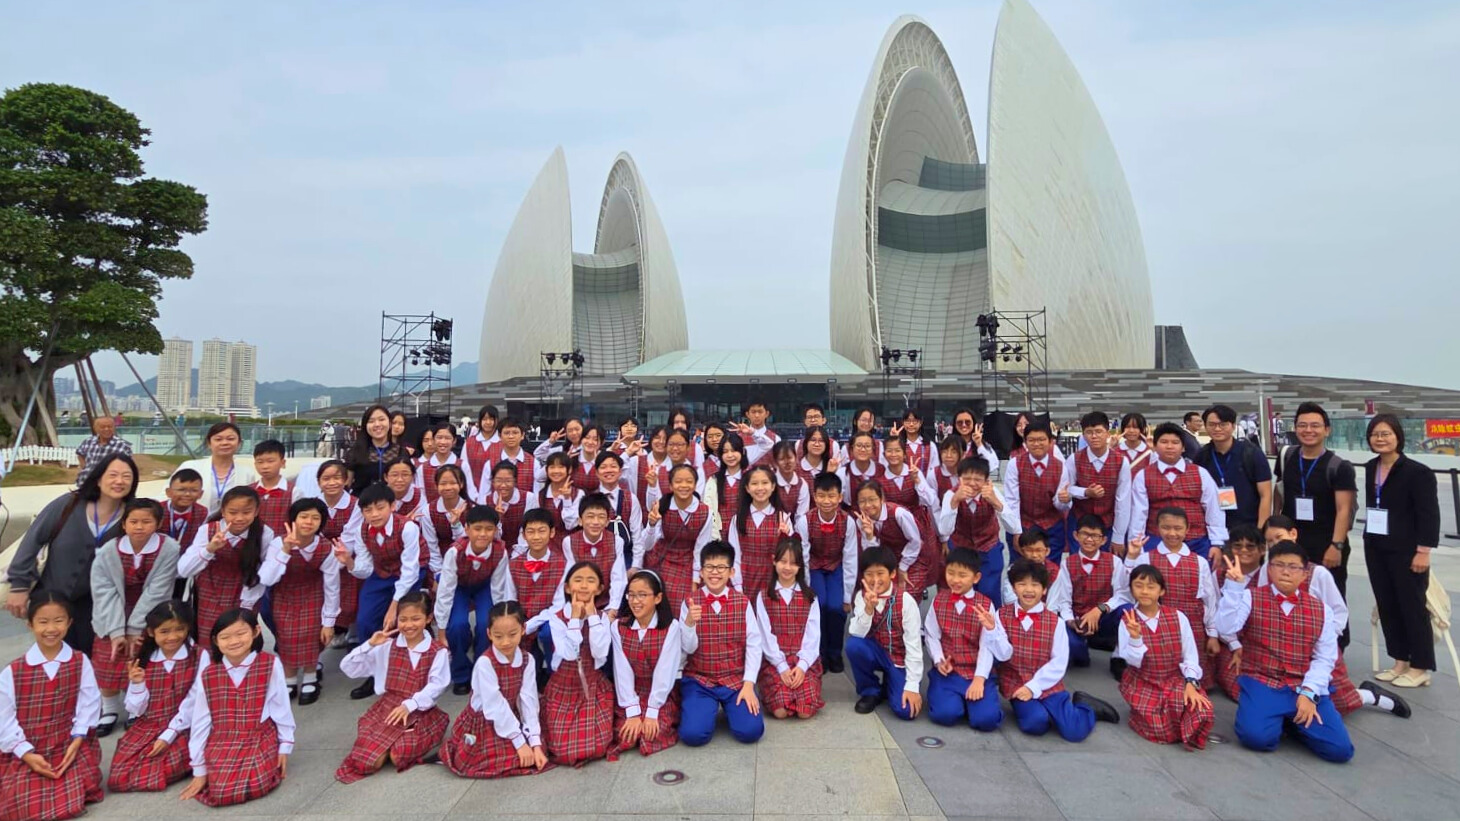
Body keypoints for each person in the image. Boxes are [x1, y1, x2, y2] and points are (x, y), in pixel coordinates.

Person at [1217, 542, 1354, 762]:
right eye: (1279, 565)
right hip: (1263, 680)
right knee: (1256, 738)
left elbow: (1325, 658)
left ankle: (1291, 724)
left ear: (1304, 574)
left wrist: (1310, 693)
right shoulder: (1251, 597)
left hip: (1303, 683)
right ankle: (1280, 721)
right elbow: (1226, 629)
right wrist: (1233, 589)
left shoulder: (1322, 609)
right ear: (1269, 570)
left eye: (1293, 567)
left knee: (1340, 751)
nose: (1286, 572)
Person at [1261, 517, 1410, 716]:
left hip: (1316, 647)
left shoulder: (1318, 573)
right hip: (1280, 647)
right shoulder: (1266, 570)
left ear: (1293, 534)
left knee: (1338, 703)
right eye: (1269, 541)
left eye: (1279, 537)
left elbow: (1339, 612)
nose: (1274, 544)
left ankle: (1370, 696)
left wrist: (1324, 640)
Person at [6, 454, 141, 653]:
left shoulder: (132, 516)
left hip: (97, 608)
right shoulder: (68, 504)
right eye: (112, 475)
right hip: (52, 598)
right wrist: (19, 586)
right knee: (52, 654)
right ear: (98, 478)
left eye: (127, 476)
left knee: (88, 659)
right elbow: (32, 541)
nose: (119, 481)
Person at [985, 559, 1119, 739]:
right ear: (1014, 588)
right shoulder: (1001, 615)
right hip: (1016, 682)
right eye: (1022, 584)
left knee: (1074, 732)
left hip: (1047, 682)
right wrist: (992, 630)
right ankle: (1047, 712)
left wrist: (1033, 687)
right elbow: (1002, 655)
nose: (1028, 590)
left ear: (1044, 590)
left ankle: (1086, 707)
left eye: (1035, 585)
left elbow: (1059, 662)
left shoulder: (1055, 622)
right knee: (1035, 723)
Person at [0, 593, 104, 821]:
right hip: (29, 747)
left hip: (67, 743)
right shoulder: (13, 671)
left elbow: (89, 702)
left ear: (69, 622)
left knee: (73, 798)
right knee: (22, 806)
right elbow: (4, 719)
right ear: (30, 624)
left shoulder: (79, 660)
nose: (51, 629)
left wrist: (78, 737)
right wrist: (26, 753)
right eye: (43, 622)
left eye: (58, 620)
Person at [177, 609, 295, 806]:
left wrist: (285, 746)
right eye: (225, 637)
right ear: (215, 641)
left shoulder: (270, 664)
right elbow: (201, 720)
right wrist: (199, 769)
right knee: (221, 791)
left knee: (256, 784)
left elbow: (280, 707)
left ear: (256, 631)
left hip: (257, 735)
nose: (234, 641)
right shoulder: (209, 673)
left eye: (241, 633)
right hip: (222, 738)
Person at [335, 590, 449, 783]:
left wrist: (410, 705)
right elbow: (349, 668)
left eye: (415, 619)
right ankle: (386, 743)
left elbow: (437, 686)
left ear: (428, 618)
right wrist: (369, 645)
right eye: (403, 619)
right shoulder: (386, 646)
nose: (408, 625)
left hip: (420, 711)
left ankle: (432, 729)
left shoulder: (438, 651)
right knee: (369, 763)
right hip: (387, 709)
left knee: (398, 757)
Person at [88, 498, 180, 736]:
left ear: (158, 523)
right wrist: (117, 631)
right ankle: (109, 709)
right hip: (112, 612)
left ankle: (135, 708)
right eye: (133, 521)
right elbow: (103, 591)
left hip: (150, 613)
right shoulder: (109, 551)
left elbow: (158, 590)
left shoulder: (169, 548)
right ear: (124, 524)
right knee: (109, 658)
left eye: (146, 521)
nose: (139, 527)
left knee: (139, 657)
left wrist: (135, 628)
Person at [1363, 413, 1440, 688]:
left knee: (1412, 607)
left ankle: (1420, 667)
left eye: (1386, 433)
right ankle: (1400, 660)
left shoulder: (1418, 472)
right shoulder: (1371, 467)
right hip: (1377, 546)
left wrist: (1423, 551)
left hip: (1407, 550)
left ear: (1398, 436)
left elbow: (1428, 515)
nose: (1380, 439)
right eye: (1375, 434)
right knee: (1388, 604)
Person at [1277, 402, 1357, 646]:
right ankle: (1301, 645)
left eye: (1315, 425)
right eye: (1302, 425)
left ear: (1327, 430)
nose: (1308, 430)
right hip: (1293, 541)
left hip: (1326, 542)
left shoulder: (1339, 466)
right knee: (1292, 592)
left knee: (1331, 596)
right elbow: (1280, 493)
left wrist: (1337, 545)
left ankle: (1336, 649)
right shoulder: (1287, 457)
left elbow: (1344, 509)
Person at [439, 601, 550, 778]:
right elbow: (495, 705)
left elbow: (528, 700)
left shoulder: (527, 659)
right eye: (498, 636)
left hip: (511, 715)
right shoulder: (485, 663)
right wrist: (520, 742)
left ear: (523, 630)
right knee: (507, 757)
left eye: (512, 634)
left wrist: (535, 742)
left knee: (537, 751)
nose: (506, 642)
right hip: (485, 719)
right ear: (489, 634)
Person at [335, 483, 422, 700]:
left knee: (404, 621)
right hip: (381, 575)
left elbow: (410, 570)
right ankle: (374, 673)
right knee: (365, 621)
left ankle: (408, 672)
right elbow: (365, 569)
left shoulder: (408, 528)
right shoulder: (361, 530)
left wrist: (394, 606)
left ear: (392, 506)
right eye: (368, 510)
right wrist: (349, 562)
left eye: (380, 508)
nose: (374, 514)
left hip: (408, 575)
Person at [1117, 565, 1214, 750]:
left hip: (1173, 679)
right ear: (1131, 589)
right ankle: (1139, 715)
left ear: (1162, 591)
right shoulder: (1127, 621)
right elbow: (1132, 662)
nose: (1144, 591)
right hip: (1143, 681)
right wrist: (1136, 638)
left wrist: (1191, 683)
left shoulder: (1178, 617)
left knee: (1201, 709)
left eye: (1151, 586)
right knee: (1160, 730)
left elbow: (1190, 655)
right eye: (1138, 586)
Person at [678, 541, 765, 746]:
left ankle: (731, 709)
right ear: (701, 572)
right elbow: (687, 648)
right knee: (693, 735)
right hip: (700, 679)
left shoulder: (742, 602)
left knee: (751, 732)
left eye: (721, 567)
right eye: (709, 567)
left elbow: (754, 644)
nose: (715, 572)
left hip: (734, 679)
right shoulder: (690, 602)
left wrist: (749, 683)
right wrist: (689, 623)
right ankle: (704, 708)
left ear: (731, 572)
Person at [106, 599, 198, 793]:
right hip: (149, 725)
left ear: (188, 628)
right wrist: (137, 684)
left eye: (179, 629)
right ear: (151, 632)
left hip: (184, 726)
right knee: (118, 777)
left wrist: (169, 734)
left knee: (164, 767)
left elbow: (195, 700)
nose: (172, 637)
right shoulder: (144, 660)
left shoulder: (198, 656)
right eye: (164, 631)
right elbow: (136, 709)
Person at [256, 498, 340, 705]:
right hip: (284, 596)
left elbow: (332, 586)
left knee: (312, 635)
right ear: (293, 519)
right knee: (286, 637)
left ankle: (311, 678)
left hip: (313, 594)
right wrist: (285, 550)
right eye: (304, 516)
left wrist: (329, 621)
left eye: (315, 518)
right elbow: (267, 578)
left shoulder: (325, 547)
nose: (308, 522)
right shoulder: (278, 543)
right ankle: (290, 680)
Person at [177, 486, 271, 652]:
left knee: (240, 643)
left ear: (256, 511)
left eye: (246, 512)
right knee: (211, 643)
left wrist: (247, 604)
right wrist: (210, 549)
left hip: (245, 593)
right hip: (209, 593)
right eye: (233, 512)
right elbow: (184, 570)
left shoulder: (264, 533)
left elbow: (263, 572)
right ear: (223, 511)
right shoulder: (208, 530)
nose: (239, 518)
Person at [541, 561, 615, 766]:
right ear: (567, 587)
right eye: (578, 580)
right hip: (563, 687)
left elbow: (600, 651)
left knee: (598, 746)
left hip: (592, 686)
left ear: (599, 588)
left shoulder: (602, 618)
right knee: (562, 751)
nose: (583, 586)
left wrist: (592, 617)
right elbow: (569, 654)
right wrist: (574, 620)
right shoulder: (557, 618)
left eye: (591, 581)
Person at [436, 506, 514, 696]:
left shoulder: (500, 551)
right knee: (457, 626)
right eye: (477, 528)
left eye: (489, 529)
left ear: (495, 530)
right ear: (467, 529)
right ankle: (461, 674)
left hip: (485, 586)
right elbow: (445, 590)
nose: (483, 534)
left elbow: (498, 588)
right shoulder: (455, 552)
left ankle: (482, 670)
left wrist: (500, 618)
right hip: (459, 587)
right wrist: (441, 628)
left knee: (486, 624)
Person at [924, 548, 1002, 731]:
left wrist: (979, 679)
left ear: (976, 578)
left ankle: (974, 703)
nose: (955, 580)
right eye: (951, 573)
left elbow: (987, 645)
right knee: (944, 715)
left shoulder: (985, 605)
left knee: (986, 721)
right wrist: (939, 660)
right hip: (950, 671)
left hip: (976, 670)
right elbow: (931, 634)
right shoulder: (938, 600)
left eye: (962, 575)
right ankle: (959, 702)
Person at [608, 571, 684, 759]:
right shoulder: (619, 627)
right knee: (627, 735)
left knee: (650, 735)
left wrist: (652, 711)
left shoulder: (671, 627)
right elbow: (622, 671)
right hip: (631, 692)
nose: (635, 601)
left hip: (660, 694)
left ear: (658, 598)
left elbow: (665, 672)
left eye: (642, 595)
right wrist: (632, 711)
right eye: (631, 595)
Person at [1128, 423, 1227, 559]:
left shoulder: (1201, 473)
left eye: (1175, 442)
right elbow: (1138, 513)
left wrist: (1217, 543)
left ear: (1183, 447)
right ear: (1155, 446)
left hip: (1197, 541)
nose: (1169, 447)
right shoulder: (1143, 476)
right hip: (1157, 540)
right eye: (1164, 442)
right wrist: (1135, 543)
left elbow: (1214, 509)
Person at [846, 547, 924, 719]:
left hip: (899, 657)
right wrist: (868, 609)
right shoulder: (861, 596)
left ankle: (892, 682)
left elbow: (914, 645)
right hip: (875, 650)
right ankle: (870, 691)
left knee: (906, 711)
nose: (875, 580)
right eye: (869, 574)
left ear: (892, 574)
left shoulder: (906, 601)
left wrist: (912, 686)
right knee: (854, 646)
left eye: (880, 573)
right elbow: (856, 632)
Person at [937, 457, 1019, 606]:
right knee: (962, 591)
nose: (972, 484)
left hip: (988, 546)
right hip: (961, 548)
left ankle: (992, 618)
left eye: (978, 479)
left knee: (989, 591)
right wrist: (955, 501)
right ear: (959, 478)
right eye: (967, 479)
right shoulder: (951, 494)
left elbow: (1013, 527)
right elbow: (945, 530)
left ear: (987, 480)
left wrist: (995, 502)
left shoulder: (993, 493)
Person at [755, 540, 823, 720]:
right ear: (774, 561)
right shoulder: (764, 596)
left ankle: (805, 685)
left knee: (804, 712)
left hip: (803, 659)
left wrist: (802, 666)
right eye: (783, 561)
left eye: (793, 563)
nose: (787, 567)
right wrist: (781, 665)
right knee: (780, 711)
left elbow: (813, 635)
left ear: (800, 566)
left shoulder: (810, 597)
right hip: (775, 660)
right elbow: (765, 635)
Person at [633, 464, 713, 612]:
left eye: (689, 481)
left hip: (688, 561)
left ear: (695, 485)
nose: (684, 485)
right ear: (670, 485)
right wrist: (651, 524)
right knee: (658, 601)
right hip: (662, 559)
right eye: (678, 481)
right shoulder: (662, 507)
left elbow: (701, 548)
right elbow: (647, 545)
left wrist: (695, 579)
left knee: (685, 602)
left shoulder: (704, 512)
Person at [800, 472, 858, 674]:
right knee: (819, 605)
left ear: (840, 497)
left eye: (831, 496)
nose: (827, 501)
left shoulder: (848, 521)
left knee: (836, 607)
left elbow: (850, 557)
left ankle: (835, 653)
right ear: (814, 497)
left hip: (836, 566)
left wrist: (848, 596)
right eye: (822, 496)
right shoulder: (805, 521)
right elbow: (804, 556)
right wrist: (806, 588)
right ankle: (820, 654)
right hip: (814, 566)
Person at [1056, 515, 1128, 674]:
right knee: (1074, 650)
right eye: (1085, 534)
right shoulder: (1067, 564)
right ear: (1076, 536)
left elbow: (1122, 595)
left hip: (1104, 617)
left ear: (1103, 540)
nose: (1089, 539)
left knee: (1128, 610)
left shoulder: (1115, 561)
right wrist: (1071, 622)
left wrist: (1100, 609)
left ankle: (1119, 656)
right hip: (1079, 619)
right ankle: (1083, 649)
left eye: (1095, 535)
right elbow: (1064, 601)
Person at [1055, 411, 1131, 555]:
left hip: (1108, 524)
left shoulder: (1121, 462)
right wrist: (1085, 492)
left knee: (1108, 564)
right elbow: (1065, 489)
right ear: (1083, 435)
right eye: (1089, 432)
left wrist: (1119, 537)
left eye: (1098, 431)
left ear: (1107, 433)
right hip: (1079, 523)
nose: (1094, 436)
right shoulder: (1074, 459)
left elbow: (1123, 500)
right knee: (1078, 562)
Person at [509, 509, 568, 686]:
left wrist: (531, 625)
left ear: (552, 532)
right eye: (531, 531)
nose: (536, 537)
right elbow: (510, 599)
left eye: (542, 531)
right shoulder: (513, 564)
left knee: (549, 633)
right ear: (523, 535)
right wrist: (519, 623)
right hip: (522, 617)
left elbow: (558, 606)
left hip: (549, 618)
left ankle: (553, 673)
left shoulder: (563, 564)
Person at [1194, 404, 1272, 530]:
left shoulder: (1251, 453)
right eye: (1212, 424)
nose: (1217, 429)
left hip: (1248, 527)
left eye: (1223, 424)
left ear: (1233, 426)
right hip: (1214, 528)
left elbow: (1266, 495)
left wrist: (1261, 530)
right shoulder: (1201, 456)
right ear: (1205, 426)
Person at [726, 466, 800, 594]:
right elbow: (735, 554)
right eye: (754, 483)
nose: (760, 488)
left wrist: (786, 535)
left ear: (773, 486)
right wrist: (738, 585)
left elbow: (791, 554)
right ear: (747, 488)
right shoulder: (738, 519)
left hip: (773, 577)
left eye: (765, 483)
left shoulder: (782, 518)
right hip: (745, 576)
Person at [314, 460, 363, 647]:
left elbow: (351, 537)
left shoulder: (356, 505)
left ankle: (352, 632)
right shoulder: (314, 504)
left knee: (351, 602)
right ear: (319, 482)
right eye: (326, 479)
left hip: (348, 557)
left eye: (337, 478)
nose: (332, 483)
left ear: (345, 480)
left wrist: (338, 560)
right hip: (321, 558)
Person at [1003, 423, 1068, 564]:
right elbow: (1012, 500)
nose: (1037, 444)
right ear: (1025, 442)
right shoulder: (1014, 464)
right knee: (1020, 570)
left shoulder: (1061, 466)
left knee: (1051, 570)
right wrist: (1016, 531)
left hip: (1051, 526)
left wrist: (1064, 500)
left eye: (1041, 439)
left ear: (1050, 442)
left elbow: (1060, 504)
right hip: (1023, 524)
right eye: (1031, 440)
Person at [853, 480, 929, 595]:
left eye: (872, 500)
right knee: (877, 593)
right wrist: (869, 536)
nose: (867, 505)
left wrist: (903, 567)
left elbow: (915, 541)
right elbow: (872, 555)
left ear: (881, 499)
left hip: (913, 558)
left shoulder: (899, 514)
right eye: (862, 501)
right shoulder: (861, 521)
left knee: (906, 595)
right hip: (884, 562)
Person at [558, 494, 629, 617]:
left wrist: (612, 608)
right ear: (580, 520)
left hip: (606, 603)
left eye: (601, 517)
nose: (595, 522)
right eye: (590, 517)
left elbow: (618, 578)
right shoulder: (569, 542)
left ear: (607, 521)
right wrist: (577, 606)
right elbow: (570, 577)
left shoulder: (617, 541)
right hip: (578, 602)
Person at [174, 422, 256, 515]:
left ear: (239, 443)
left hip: (232, 523)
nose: (225, 443)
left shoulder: (247, 473)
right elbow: (168, 497)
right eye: (218, 439)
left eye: (230, 439)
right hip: (194, 521)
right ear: (209, 443)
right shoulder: (190, 467)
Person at [346, 405, 402, 495]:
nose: (377, 424)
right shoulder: (355, 452)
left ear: (390, 423)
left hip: (391, 502)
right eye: (371, 421)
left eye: (381, 419)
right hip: (361, 502)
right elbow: (347, 485)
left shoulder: (400, 451)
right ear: (365, 425)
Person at [160, 469, 208, 561]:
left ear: (200, 494)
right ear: (168, 492)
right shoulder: (157, 510)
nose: (187, 494)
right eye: (181, 490)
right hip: (160, 559)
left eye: (194, 490)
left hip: (187, 559)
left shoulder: (203, 513)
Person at [74, 414, 133, 486]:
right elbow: (80, 453)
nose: (106, 429)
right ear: (95, 428)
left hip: (108, 485)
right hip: (86, 482)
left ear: (114, 427)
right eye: (103, 427)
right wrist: (85, 467)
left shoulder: (123, 446)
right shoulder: (88, 441)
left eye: (109, 426)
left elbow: (127, 465)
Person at [249, 440, 292, 536]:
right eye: (260, 462)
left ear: (283, 463)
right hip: (254, 541)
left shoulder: (294, 491)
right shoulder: (249, 490)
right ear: (255, 464)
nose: (265, 466)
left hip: (282, 541)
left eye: (270, 461)